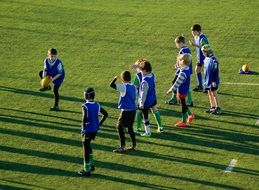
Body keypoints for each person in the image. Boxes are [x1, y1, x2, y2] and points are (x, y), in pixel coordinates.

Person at [78, 87, 108, 176]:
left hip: (87, 130)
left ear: (86, 95)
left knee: (85, 149)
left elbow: (84, 117)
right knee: (88, 145)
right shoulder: (97, 105)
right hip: (94, 130)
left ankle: (86, 169)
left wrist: (83, 126)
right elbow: (105, 114)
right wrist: (99, 124)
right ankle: (92, 165)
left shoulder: (85, 106)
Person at [131, 59, 163, 134]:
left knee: (140, 112)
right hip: (152, 96)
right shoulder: (152, 74)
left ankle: (138, 128)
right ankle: (160, 127)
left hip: (143, 99)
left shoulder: (138, 76)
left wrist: (135, 99)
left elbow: (134, 88)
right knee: (155, 110)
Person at [110, 71, 137, 153]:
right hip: (133, 110)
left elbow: (111, 85)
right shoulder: (133, 86)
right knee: (130, 128)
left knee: (119, 127)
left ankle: (122, 146)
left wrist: (114, 79)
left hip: (125, 111)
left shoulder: (123, 87)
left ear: (122, 79)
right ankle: (134, 146)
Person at [166, 54, 194, 127]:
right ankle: (190, 115)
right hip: (185, 89)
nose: (178, 61)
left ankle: (184, 121)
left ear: (183, 62)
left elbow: (177, 83)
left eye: (180, 60)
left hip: (182, 91)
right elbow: (180, 67)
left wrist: (170, 90)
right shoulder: (187, 68)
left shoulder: (182, 73)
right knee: (183, 103)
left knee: (183, 105)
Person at [165, 35, 194, 107]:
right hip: (188, 69)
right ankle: (190, 100)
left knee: (174, 82)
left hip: (182, 70)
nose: (177, 45)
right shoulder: (187, 49)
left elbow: (181, 60)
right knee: (186, 85)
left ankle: (174, 98)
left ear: (180, 43)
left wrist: (177, 66)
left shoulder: (182, 50)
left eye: (177, 44)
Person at [201, 45, 222, 114]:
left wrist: (213, 81)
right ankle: (212, 107)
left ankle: (218, 108)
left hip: (213, 80)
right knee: (209, 93)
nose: (202, 54)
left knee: (214, 93)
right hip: (207, 80)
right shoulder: (206, 58)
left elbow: (215, 70)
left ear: (207, 52)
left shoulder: (213, 59)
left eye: (203, 52)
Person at [189, 24, 209, 92]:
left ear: (198, 31)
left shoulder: (203, 38)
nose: (192, 33)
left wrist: (194, 44)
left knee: (206, 72)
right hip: (199, 58)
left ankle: (207, 87)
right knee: (197, 70)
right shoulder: (196, 37)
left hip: (205, 57)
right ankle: (200, 86)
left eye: (193, 31)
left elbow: (205, 47)